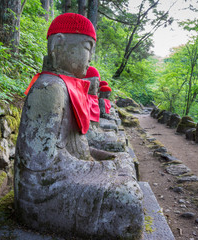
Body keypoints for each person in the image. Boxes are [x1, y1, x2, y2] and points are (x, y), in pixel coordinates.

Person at [14, 13, 143, 239]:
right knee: (127, 204)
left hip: (66, 173)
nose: (91, 57)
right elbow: (40, 168)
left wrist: (103, 161)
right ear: (58, 44)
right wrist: (96, 169)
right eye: (87, 47)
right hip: (41, 193)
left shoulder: (65, 87)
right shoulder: (49, 88)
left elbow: (77, 144)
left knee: (123, 168)